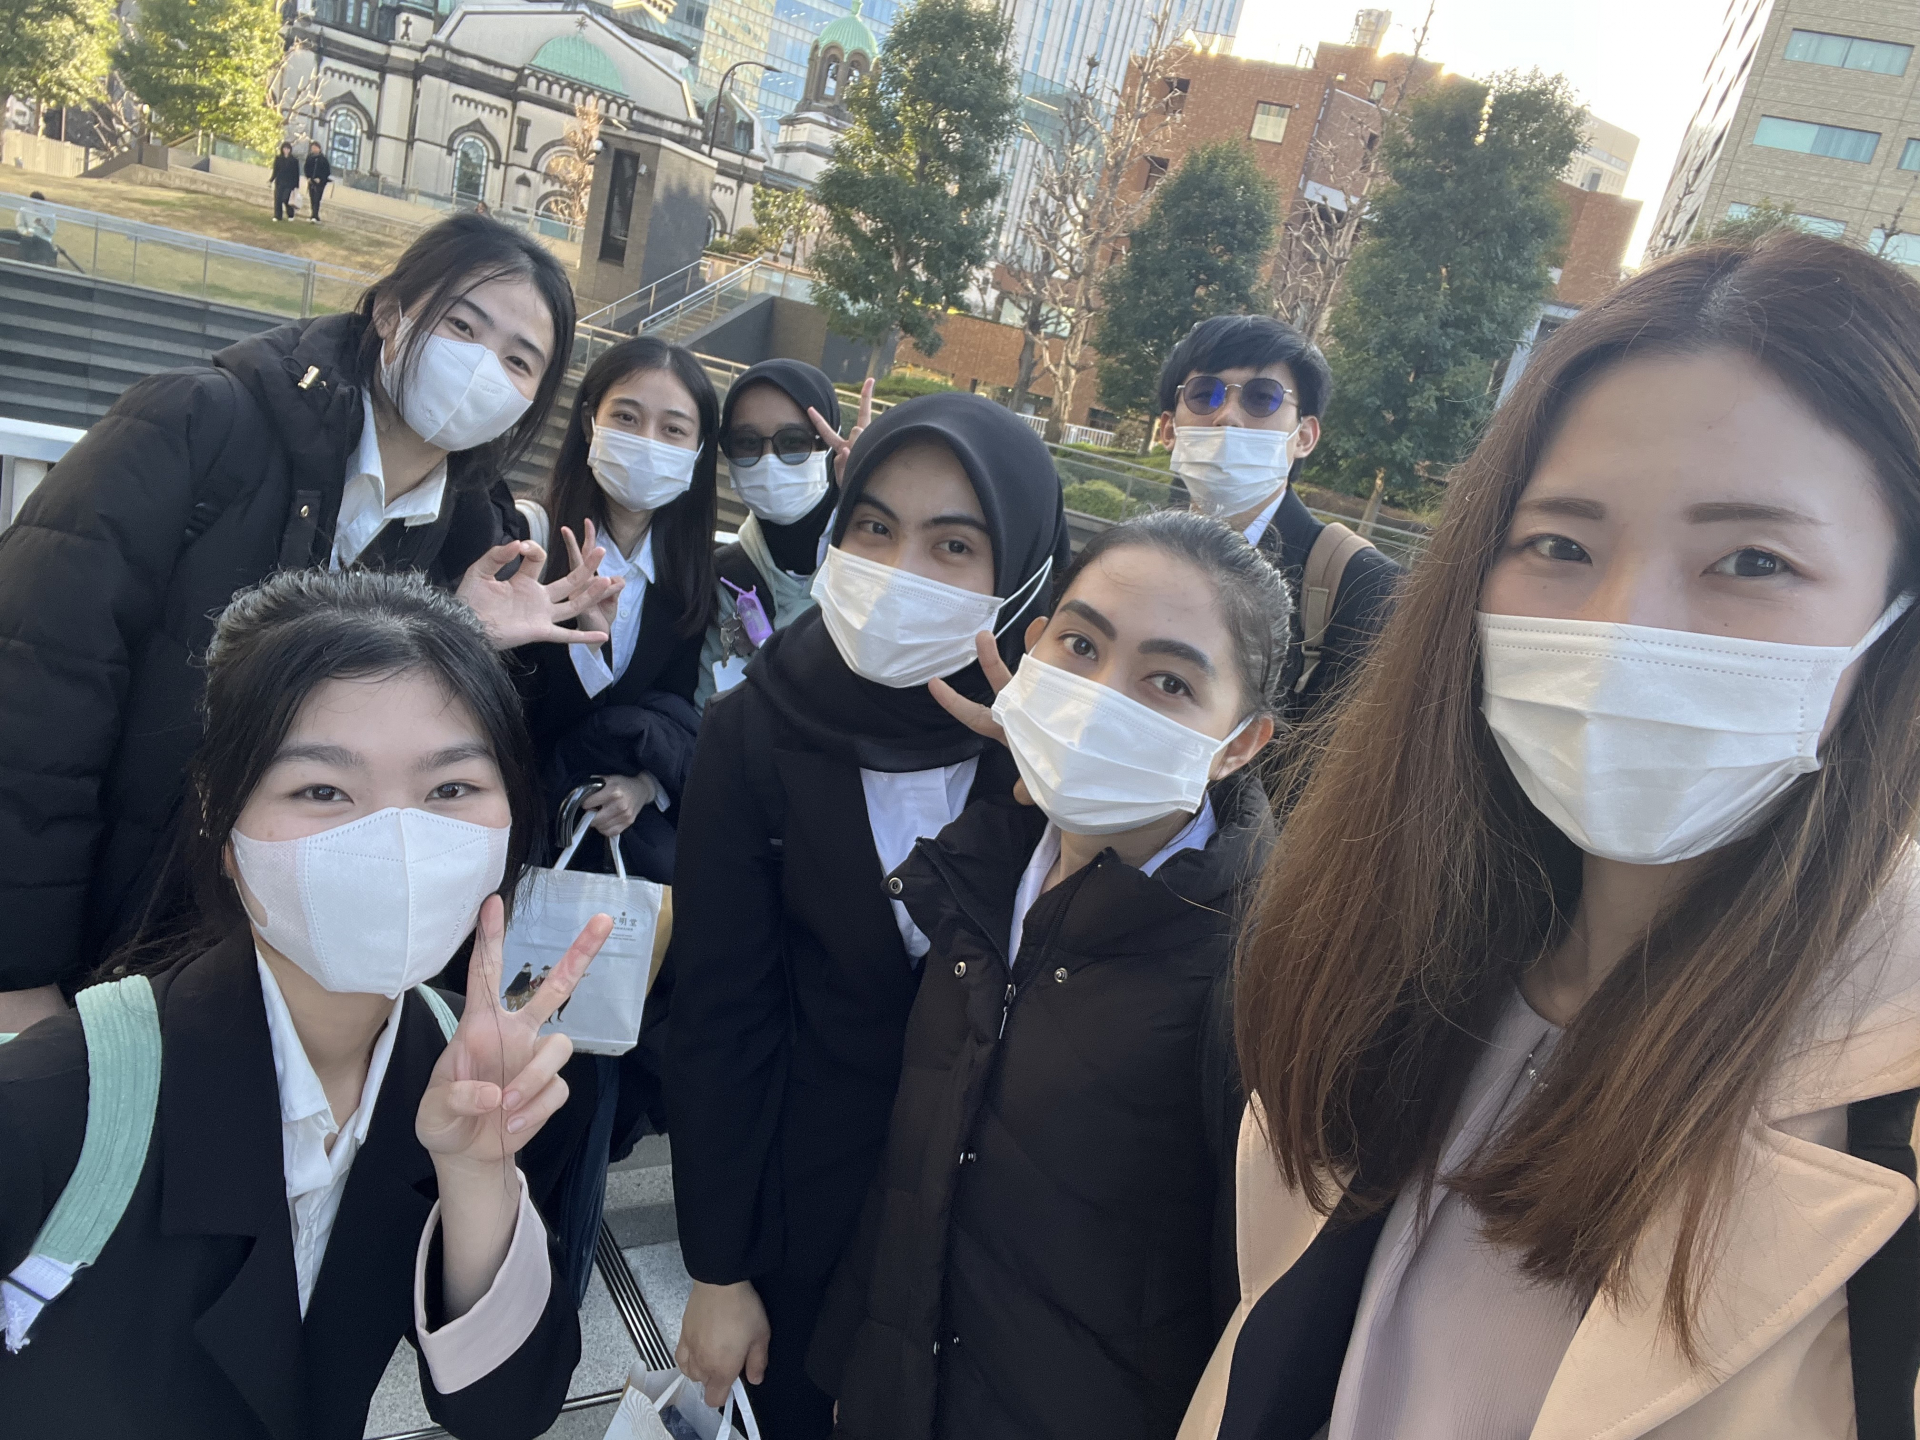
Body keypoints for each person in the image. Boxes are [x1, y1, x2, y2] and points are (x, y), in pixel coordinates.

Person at [1182, 230, 1920, 1440]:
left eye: (1752, 560)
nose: (1622, 626)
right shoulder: (1393, 956)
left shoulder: (1889, 1103)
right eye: (1561, 546)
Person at [0, 568, 612, 1437]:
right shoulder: (51, 1103)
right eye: (323, 790)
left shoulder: (466, 1069)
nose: (396, 841)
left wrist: (479, 1176)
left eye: (450, 789)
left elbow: (505, 1412)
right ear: (219, 817)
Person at [0, 213, 614, 1037]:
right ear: (391, 313)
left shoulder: (473, 533)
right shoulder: (197, 424)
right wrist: (19, 966)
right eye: (462, 326)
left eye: (518, 359)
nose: (481, 366)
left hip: (272, 973)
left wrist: (466, 644)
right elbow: (35, 687)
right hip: (109, 924)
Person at [808, 510, 1288, 1440]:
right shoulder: (986, 869)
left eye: (1169, 682)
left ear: (1239, 743)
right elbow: (917, 1155)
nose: (1101, 698)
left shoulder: (1257, 969)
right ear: (1032, 649)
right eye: (1081, 646)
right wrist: (862, 1368)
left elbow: (1253, 1307)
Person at [667, 393, 1072, 1437]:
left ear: (1025, 572)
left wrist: (1055, 779)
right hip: (810, 1208)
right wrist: (718, 1267)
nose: (900, 570)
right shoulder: (757, 729)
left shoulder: (1060, 758)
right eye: (876, 528)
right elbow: (721, 1013)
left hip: (1000, 1240)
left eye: (954, 546)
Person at [517, 336, 718, 884]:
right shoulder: (528, 541)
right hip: (512, 828)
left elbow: (674, 711)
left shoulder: (688, 577)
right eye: (626, 417)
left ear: (698, 450)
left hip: (604, 847)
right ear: (590, 422)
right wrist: (587, 643)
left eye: (673, 429)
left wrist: (644, 787)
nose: (648, 442)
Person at [1158, 314, 1401, 732]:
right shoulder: (1131, 561)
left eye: (1261, 398)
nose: (1227, 416)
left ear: (1304, 436)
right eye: (1204, 395)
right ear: (1168, 429)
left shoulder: (1368, 589)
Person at [693, 362, 865, 710]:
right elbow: (708, 712)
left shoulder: (876, 564)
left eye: (793, 441)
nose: (769, 460)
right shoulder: (728, 577)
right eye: (747, 442)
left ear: (829, 444)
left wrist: (872, 504)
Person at [272, 142, 302, 221]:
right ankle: (277, 216)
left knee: (286, 199)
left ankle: (290, 214)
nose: (286, 150)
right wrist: (271, 179)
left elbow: (296, 173)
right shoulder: (278, 159)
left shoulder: (294, 160)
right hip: (279, 182)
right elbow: (275, 171)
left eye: (287, 149)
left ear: (290, 150)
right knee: (278, 199)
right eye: (284, 148)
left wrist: (296, 185)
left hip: (289, 183)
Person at [305, 140, 333, 224]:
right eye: (312, 148)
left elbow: (327, 172)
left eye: (315, 148)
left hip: (320, 183)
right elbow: (306, 168)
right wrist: (308, 177)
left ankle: (315, 216)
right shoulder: (310, 158)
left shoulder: (323, 159)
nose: (313, 149)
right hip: (311, 181)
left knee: (317, 199)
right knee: (312, 198)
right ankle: (314, 215)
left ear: (319, 148)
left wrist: (320, 178)